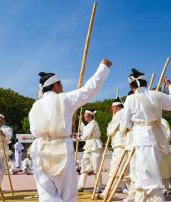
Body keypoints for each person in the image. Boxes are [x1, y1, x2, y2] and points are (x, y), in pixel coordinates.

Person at [29, 59, 112, 202]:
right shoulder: (64, 99)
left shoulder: (35, 106)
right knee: (67, 195)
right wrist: (103, 68)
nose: (62, 86)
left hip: (39, 150)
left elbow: (34, 130)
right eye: (60, 83)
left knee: (46, 195)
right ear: (54, 85)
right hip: (61, 148)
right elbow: (89, 90)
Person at [120, 68, 171, 202]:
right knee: (148, 170)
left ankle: (154, 198)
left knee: (145, 172)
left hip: (140, 137)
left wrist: (126, 132)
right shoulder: (157, 95)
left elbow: (125, 123)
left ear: (131, 85)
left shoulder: (130, 99)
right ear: (145, 82)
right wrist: (170, 86)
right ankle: (141, 197)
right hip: (156, 136)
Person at [99, 97, 128, 199]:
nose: (112, 110)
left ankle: (106, 192)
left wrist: (110, 125)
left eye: (112, 108)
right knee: (125, 171)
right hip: (124, 144)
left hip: (120, 144)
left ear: (115, 108)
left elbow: (109, 132)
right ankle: (133, 192)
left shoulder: (119, 114)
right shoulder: (125, 112)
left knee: (115, 169)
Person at [77, 110, 103, 193]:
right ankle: (80, 186)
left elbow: (87, 134)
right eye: (84, 115)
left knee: (96, 168)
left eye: (85, 115)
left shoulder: (94, 123)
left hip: (95, 146)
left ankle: (99, 187)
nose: (84, 116)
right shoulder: (88, 125)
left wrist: (80, 138)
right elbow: (84, 130)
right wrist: (80, 122)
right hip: (88, 147)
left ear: (90, 116)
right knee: (84, 166)